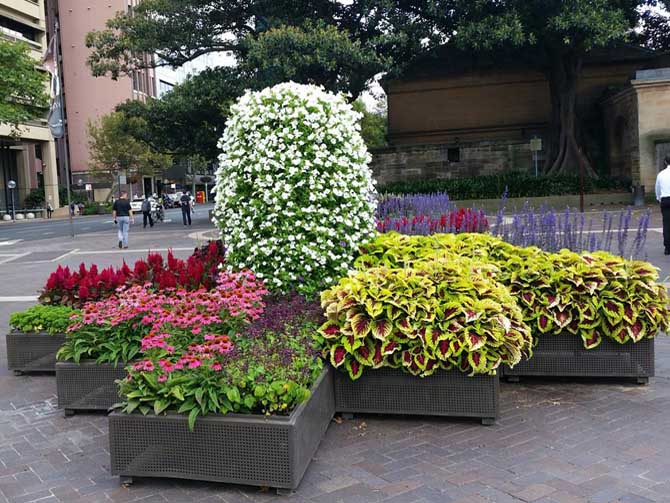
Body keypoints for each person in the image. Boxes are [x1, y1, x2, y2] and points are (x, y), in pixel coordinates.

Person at [655, 155, 670, 255]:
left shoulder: (661, 174)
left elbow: (657, 188)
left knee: (667, 223)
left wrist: (658, 198)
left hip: (665, 199)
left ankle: (668, 247)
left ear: (665, 162)